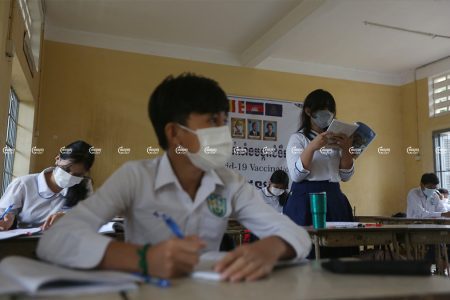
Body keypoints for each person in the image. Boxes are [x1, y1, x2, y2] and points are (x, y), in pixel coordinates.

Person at [37, 73, 311, 282]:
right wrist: (144, 258)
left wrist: (269, 249)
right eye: (213, 121)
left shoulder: (231, 183)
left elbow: (297, 236)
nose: (223, 131)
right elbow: (57, 239)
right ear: (174, 133)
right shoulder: (136, 177)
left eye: (223, 121)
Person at [283, 89, 355, 258]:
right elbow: (296, 175)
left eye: (331, 111)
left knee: (339, 253)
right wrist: (312, 147)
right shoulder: (298, 139)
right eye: (323, 110)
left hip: (334, 197)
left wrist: (346, 149)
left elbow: (346, 176)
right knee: (307, 254)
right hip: (306, 199)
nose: (328, 114)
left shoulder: (337, 138)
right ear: (308, 111)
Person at [0, 140, 95, 231]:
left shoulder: (84, 185)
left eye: (77, 175)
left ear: (85, 173)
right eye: (66, 170)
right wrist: (7, 221)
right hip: (27, 244)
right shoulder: (23, 184)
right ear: (57, 159)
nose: (69, 177)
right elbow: (3, 214)